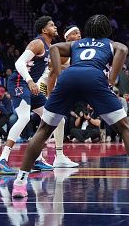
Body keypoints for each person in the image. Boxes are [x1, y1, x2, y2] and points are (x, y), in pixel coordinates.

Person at [11, 14, 129, 199]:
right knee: (125, 129)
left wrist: (59, 74)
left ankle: (19, 183)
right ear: (107, 30)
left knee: (43, 129)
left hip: (69, 78)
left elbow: (56, 48)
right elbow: (122, 49)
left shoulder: (77, 44)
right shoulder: (108, 43)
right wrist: (112, 79)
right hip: (95, 79)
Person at [0, 16, 57, 174]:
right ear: (44, 30)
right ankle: (2, 159)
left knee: (52, 118)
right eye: (52, 25)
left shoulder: (51, 47)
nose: (55, 27)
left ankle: (37, 159)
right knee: (24, 117)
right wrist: (29, 81)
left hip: (32, 85)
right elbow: (19, 63)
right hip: (20, 82)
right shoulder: (37, 43)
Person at [36, 24, 80, 168]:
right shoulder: (62, 51)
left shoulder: (75, 51)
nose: (79, 35)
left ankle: (58, 156)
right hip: (43, 85)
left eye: (80, 33)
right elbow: (52, 75)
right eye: (75, 33)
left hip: (54, 87)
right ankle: (38, 156)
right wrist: (49, 96)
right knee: (49, 121)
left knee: (58, 121)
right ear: (67, 37)